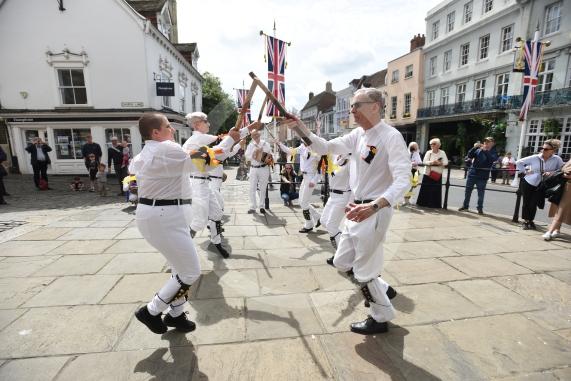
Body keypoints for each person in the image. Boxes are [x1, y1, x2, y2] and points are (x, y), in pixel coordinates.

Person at [284, 87, 410, 335]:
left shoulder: (391, 136)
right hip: (356, 207)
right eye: (351, 105)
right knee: (342, 262)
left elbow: (403, 180)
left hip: (373, 209)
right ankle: (381, 288)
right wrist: (299, 127)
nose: (351, 110)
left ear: (375, 106)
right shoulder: (358, 135)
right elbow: (323, 147)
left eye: (357, 105)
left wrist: (374, 206)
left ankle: (380, 315)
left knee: (364, 270)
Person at [129, 112, 236, 334]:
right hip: (164, 217)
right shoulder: (166, 149)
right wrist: (232, 138)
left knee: (180, 267)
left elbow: (198, 157)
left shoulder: (151, 151)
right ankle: (151, 310)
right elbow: (205, 160)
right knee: (190, 272)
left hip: (161, 215)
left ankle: (176, 315)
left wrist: (236, 136)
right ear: (156, 132)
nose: (173, 130)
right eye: (168, 127)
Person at [183, 111, 253, 258]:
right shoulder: (196, 139)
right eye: (205, 121)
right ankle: (180, 251)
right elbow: (222, 146)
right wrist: (248, 128)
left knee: (216, 212)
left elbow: (225, 145)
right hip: (196, 184)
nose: (208, 123)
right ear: (197, 124)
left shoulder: (201, 139)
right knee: (199, 221)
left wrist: (240, 132)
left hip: (204, 183)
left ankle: (217, 242)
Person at [516, 139, 564, 230]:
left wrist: (552, 173)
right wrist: (525, 171)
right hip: (528, 182)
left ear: (553, 151)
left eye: (546, 149)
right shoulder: (535, 157)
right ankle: (526, 221)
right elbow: (518, 162)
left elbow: (561, 169)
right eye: (542, 148)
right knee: (526, 202)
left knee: (534, 203)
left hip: (542, 184)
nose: (543, 150)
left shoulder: (557, 159)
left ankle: (531, 220)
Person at [277, 140, 322, 233]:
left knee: (304, 203)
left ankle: (309, 224)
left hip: (311, 177)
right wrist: (279, 143)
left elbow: (321, 167)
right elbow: (290, 151)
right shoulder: (302, 147)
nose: (303, 142)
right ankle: (318, 217)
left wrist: (314, 180)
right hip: (304, 177)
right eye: (302, 140)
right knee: (301, 202)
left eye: (305, 140)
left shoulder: (317, 149)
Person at [319, 153, 351, 257]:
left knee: (331, 226)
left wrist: (350, 203)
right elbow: (317, 147)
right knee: (323, 221)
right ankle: (346, 245)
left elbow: (355, 184)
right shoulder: (333, 157)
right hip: (332, 196)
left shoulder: (351, 161)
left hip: (343, 196)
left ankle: (342, 255)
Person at [459, 137, 497, 214]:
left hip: (482, 176)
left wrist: (486, 151)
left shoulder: (493, 152)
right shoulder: (478, 149)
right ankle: (465, 206)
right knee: (467, 191)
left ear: (492, 143)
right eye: (485, 141)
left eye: (488, 142)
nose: (486, 143)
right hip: (472, 174)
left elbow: (491, 160)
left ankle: (480, 208)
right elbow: (469, 155)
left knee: (481, 193)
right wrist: (474, 147)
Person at [245, 129, 272, 214]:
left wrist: (262, 152)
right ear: (251, 136)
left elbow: (270, 155)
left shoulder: (265, 144)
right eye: (253, 135)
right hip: (253, 168)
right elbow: (247, 157)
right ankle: (253, 206)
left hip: (264, 168)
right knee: (252, 188)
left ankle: (261, 206)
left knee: (263, 188)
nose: (255, 136)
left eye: (256, 134)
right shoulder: (250, 145)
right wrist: (254, 152)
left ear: (259, 134)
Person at [416, 138, 448, 208]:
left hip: (437, 173)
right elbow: (424, 161)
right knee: (425, 189)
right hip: (428, 173)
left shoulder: (442, 152)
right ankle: (422, 204)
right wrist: (432, 162)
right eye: (431, 144)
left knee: (435, 190)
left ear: (438, 145)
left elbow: (446, 162)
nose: (432, 145)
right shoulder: (428, 152)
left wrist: (440, 163)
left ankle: (435, 205)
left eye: (434, 144)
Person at [543, 160, 571, 240]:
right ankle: (557, 230)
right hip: (563, 187)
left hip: (569, 189)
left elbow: (566, 173)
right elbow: (563, 170)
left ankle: (549, 232)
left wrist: (564, 173)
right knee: (557, 208)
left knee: (561, 210)